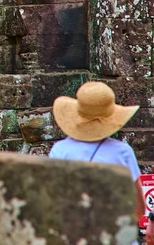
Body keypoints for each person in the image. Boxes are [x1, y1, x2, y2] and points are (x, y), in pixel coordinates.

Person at [49, 82, 145, 229]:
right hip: (113, 231)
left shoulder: (60, 150)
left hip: (75, 231)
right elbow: (138, 208)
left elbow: (52, 199)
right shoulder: (122, 152)